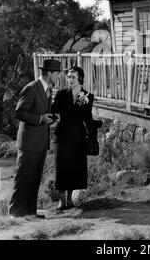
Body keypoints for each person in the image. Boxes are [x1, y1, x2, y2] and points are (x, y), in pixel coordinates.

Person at [9, 59, 61, 219]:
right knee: (23, 178)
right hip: (28, 142)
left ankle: (30, 212)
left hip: (41, 142)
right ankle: (15, 214)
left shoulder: (48, 89)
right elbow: (19, 112)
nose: (58, 76)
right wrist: (40, 119)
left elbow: (43, 112)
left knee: (35, 178)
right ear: (50, 73)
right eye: (57, 73)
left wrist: (51, 118)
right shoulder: (31, 88)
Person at [51, 66, 94, 211]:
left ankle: (70, 200)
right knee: (61, 167)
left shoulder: (86, 96)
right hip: (62, 135)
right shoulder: (61, 94)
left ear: (80, 78)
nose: (70, 79)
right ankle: (62, 201)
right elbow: (54, 110)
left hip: (78, 136)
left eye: (73, 77)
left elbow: (87, 117)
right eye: (68, 77)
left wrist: (92, 134)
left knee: (75, 168)